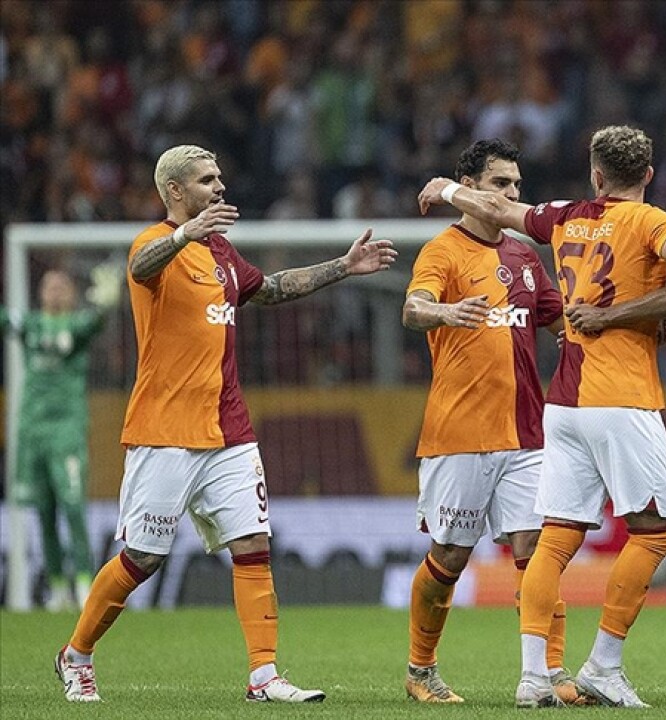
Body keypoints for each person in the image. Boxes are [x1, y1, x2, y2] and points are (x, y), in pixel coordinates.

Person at [418, 125, 666, 708]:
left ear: (596, 174)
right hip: (622, 397)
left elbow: (500, 210)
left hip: (565, 402)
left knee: (554, 539)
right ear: (649, 175)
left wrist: (446, 189)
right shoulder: (648, 221)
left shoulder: (565, 216)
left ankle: (533, 677)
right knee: (655, 532)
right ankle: (603, 665)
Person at [54, 144, 397, 704]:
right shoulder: (153, 245)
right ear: (175, 191)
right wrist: (184, 236)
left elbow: (271, 290)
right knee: (142, 558)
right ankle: (76, 654)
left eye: (219, 177)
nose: (219, 187)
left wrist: (343, 266)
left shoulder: (221, 252)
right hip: (165, 430)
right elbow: (140, 268)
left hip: (230, 430)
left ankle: (264, 675)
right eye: (206, 179)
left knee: (253, 544)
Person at [400, 139, 578, 704]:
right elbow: (413, 309)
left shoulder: (525, 257)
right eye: (502, 183)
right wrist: (446, 311)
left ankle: (550, 673)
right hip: (460, 432)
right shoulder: (442, 252)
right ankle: (421, 669)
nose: (512, 193)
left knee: (538, 551)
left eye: (517, 185)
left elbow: (562, 322)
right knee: (450, 557)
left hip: (527, 433)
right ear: (470, 185)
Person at [4, 264, 123, 611]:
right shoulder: (30, 325)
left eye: (61, 286)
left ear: (71, 294)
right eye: (49, 286)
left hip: (67, 431)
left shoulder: (78, 326)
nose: (55, 291)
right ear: (40, 293)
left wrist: (105, 304)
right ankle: (57, 590)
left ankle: (85, 585)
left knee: (72, 507)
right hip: (32, 431)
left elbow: (96, 321)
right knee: (44, 512)